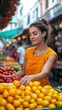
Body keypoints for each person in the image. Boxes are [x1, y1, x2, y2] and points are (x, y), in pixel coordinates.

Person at [3, 19, 58, 86]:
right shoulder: (28, 51)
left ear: (44, 34)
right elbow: (23, 71)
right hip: (27, 89)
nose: (31, 37)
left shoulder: (51, 54)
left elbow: (45, 73)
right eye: (30, 35)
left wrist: (30, 77)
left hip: (42, 92)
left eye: (35, 34)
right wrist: (8, 76)